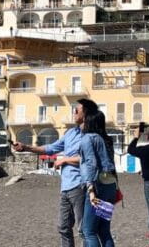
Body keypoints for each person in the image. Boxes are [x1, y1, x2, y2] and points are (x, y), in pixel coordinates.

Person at [13, 99, 95, 247]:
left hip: (81, 186)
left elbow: (89, 160)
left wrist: (64, 160)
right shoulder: (70, 133)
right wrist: (25, 147)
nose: (74, 112)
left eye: (77, 110)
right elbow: (50, 148)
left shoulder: (91, 135)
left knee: (84, 229)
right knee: (63, 227)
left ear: (86, 113)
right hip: (66, 187)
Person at [79, 102, 117, 247]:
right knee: (104, 230)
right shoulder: (107, 140)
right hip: (110, 185)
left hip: (97, 185)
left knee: (89, 231)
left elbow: (90, 163)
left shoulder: (88, 138)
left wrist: (90, 190)